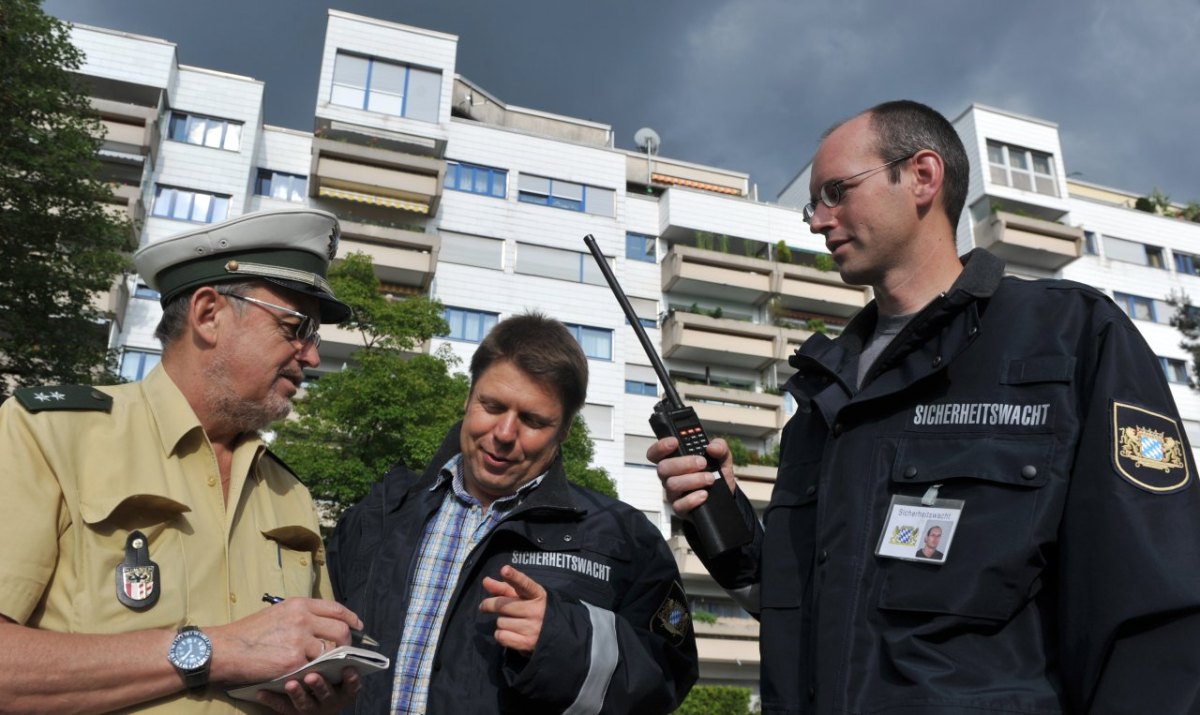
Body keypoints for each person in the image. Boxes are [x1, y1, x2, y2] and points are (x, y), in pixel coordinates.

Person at [650, 100, 1200, 714]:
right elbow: (815, 609)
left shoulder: (1068, 337)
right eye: (815, 203)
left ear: (922, 176)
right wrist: (729, 530)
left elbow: (1154, 611)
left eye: (836, 192)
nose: (817, 221)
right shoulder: (824, 394)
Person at [0, 208, 369, 714]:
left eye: (315, 337)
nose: (310, 356)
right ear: (208, 314)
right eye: (296, 327)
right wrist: (215, 650)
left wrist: (322, 693)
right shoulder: (49, 433)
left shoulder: (291, 494)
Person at [328, 313, 698, 714]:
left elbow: (667, 678)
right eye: (492, 405)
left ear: (565, 430)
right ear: (468, 399)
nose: (504, 434)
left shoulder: (624, 538)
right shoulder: (377, 516)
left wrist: (565, 641)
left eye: (533, 420)